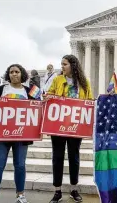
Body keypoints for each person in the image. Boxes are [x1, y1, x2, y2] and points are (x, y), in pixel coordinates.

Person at [46, 54, 93, 203]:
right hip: (58, 125)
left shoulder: (84, 82)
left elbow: (90, 100)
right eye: (61, 64)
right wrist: (48, 97)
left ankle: (74, 188)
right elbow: (50, 94)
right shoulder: (57, 79)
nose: (62, 67)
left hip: (75, 126)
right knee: (57, 157)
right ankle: (57, 190)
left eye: (64, 64)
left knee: (74, 158)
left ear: (73, 65)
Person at [0, 64, 35, 203]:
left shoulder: (30, 90)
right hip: (1, 136)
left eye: (17, 71)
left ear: (22, 74)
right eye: (11, 72)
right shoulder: (0, 89)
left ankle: (20, 195)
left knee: (20, 165)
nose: (14, 74)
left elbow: (41, 105)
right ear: (8, 75)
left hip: (22, 135)